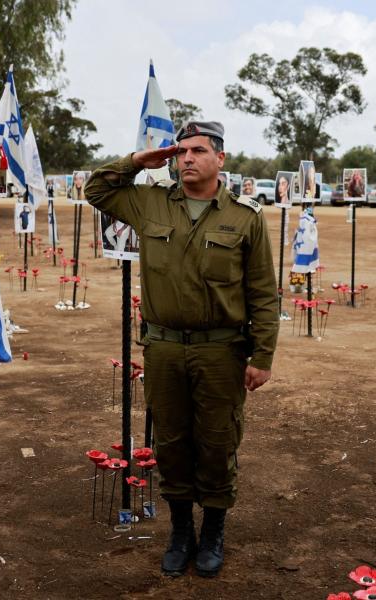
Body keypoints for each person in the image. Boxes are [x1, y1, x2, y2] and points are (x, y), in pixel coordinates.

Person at [86, 120, 278, 579]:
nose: (186, 158)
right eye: (181, 152)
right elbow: (96, 190)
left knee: (216, 441)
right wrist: (137, 162)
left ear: (220, 159)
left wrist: (263, 356)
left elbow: (264, 294)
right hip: (165, 349)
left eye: (196, 150)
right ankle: (179, 531)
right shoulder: (149, 201)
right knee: (170, 442)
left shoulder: (244, 216)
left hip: (221, 352)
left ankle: (212, 529)